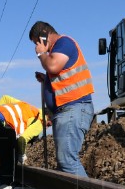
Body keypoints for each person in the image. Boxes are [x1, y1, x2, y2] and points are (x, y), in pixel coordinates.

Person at [29, 20, 94, 176]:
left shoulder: (64, 43)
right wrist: (46, 80)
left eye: (36, 42)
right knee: (64, 162)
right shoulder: (56, 51)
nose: (36, 47)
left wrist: (41, 54)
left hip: (74, 108)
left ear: (44, 36)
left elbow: (53, 66)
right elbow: (61, 76)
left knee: (67, 161)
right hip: (67, 110)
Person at [0, 95, 42, 185]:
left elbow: (5, 98)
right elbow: (22, 140)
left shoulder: (29, 107)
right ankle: (6, 183)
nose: (48, 126)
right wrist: (22, 155)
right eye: (49, 124)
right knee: (10, 157)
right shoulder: (41, 121)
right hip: (5, 127)